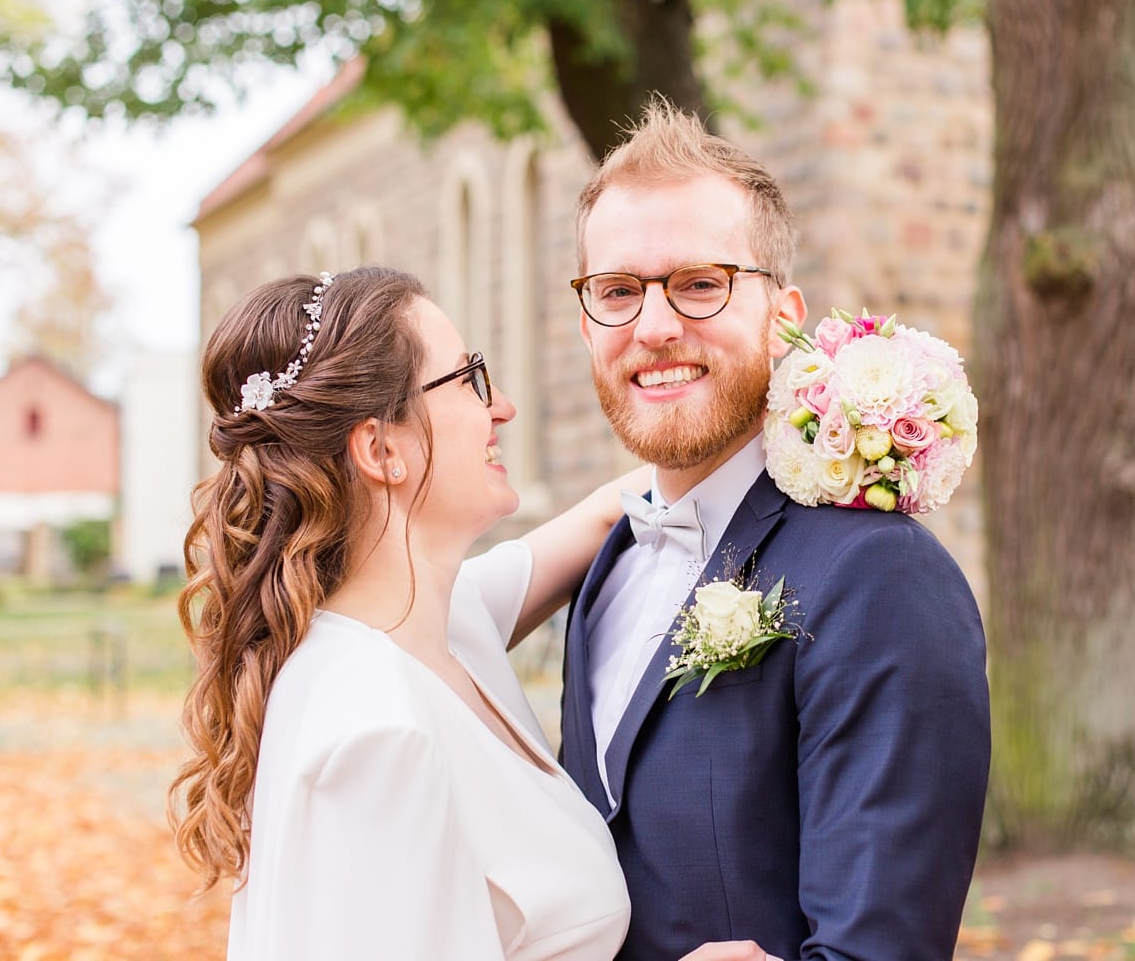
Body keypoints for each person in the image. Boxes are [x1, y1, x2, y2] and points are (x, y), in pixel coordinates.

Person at [171, 266, 753, 960]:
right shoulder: (373, 732)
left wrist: (812, 411)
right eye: (468, 378)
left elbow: (619, 508)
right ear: (381, 449)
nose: (501, 405)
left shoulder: (445, 621)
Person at [560, 100, 993, 960]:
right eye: (617, 291)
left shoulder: (877, 576)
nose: (653, 327)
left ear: (782, 315)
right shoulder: (601, 569)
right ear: (587, 320)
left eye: (699, 284)